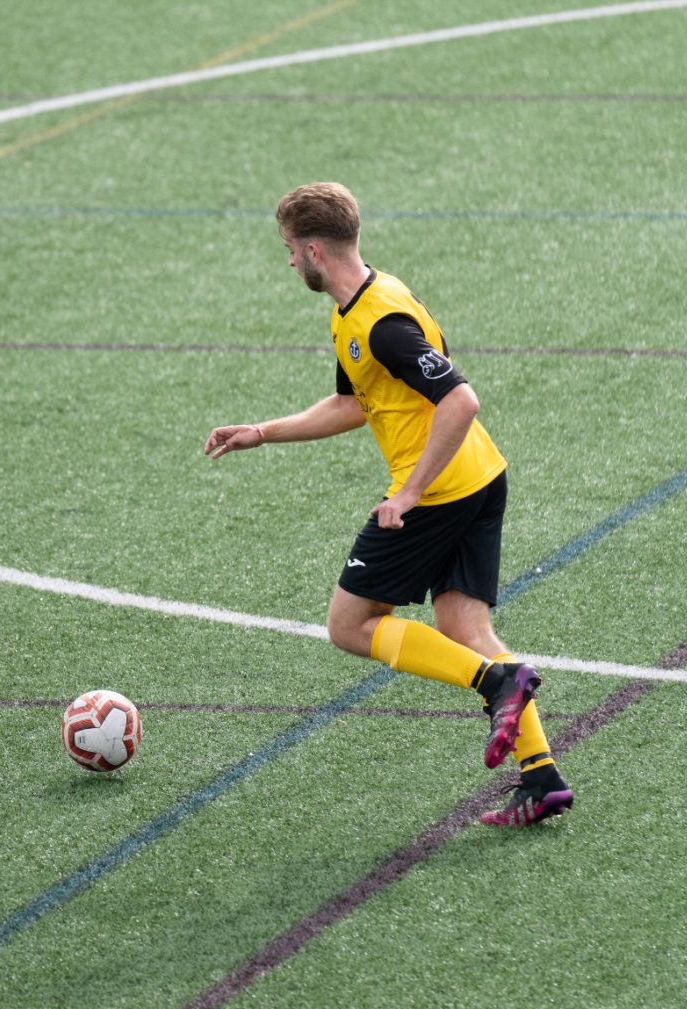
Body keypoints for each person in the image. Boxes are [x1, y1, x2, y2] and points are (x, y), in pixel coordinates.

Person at [204, 182, 572, 826]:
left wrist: (408, 492)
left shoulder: (381, 325)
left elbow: (461, 400)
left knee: (349, 626)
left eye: (290, 250)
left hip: (438, 492)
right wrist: (261, 432)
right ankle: (541, 777)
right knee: (468, 632)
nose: (289, 262)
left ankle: (497, 686)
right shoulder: (365, 300)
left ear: (315, 250)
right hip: (481, 476)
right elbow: (353, 403)